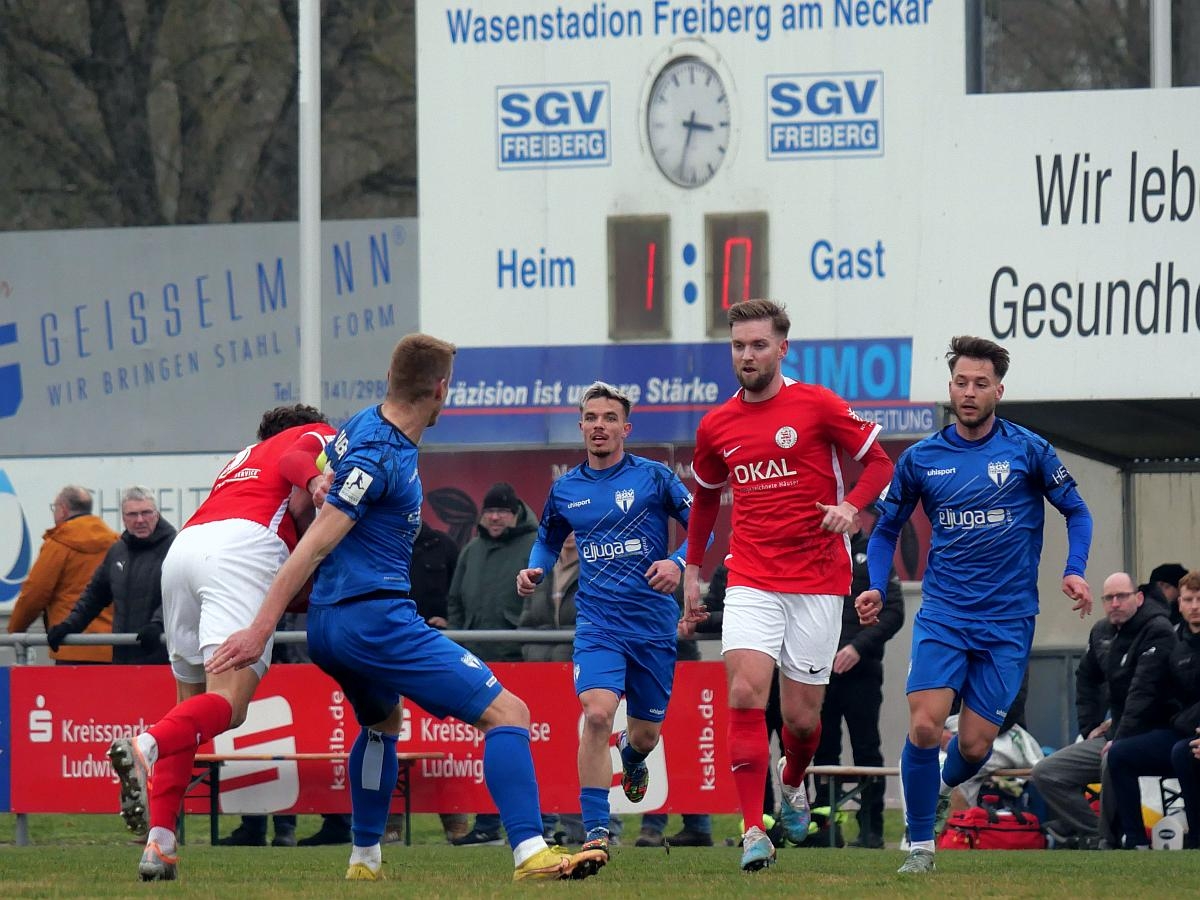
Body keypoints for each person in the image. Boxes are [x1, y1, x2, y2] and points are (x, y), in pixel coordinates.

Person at [205, 334, 604, 883]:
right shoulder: (380, 453)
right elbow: (315, 543)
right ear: (440, 389)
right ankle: (531, 853)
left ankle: (365, 861)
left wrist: (317, 477)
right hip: (373, 620)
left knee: (382, 722)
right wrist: (260, 628)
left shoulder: (361, 426)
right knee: (509, 714)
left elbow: (300, 460)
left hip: (331, 623)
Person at [856, 335, 1094, 873]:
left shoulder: (1028, 450)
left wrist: (1074, 570)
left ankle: (944, 785)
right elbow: (886, 528)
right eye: (961, 382)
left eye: (980, 383)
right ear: (950, 387)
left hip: (1008, 622)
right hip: (945, 614)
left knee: (974, 744)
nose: (968, 391)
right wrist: (876, 585)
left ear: (998, 391)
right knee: (924, 726)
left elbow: (1077, 511)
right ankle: (920, 846)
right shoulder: (921, 458)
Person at [681, 299, 895, 872]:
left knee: (802, 722)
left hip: (819, 580)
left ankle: (794, 777)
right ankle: (754, 829)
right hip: (751, 575)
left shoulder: (817, 404)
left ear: (782, 349)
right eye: (738, 346)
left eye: (758, 345)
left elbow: (880, 464)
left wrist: (851, 507)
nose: (747, 355)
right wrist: (693, 569)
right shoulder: (716, 424)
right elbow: (705, 497)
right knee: (745, 693)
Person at [105, 404, 335, 881]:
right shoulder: (312, 435)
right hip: (241, 549)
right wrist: (316, 482)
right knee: (230, 706)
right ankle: (144, 745)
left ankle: (160, 845)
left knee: (188, 713)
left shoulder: (240, 459)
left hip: (184, 552)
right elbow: (297, 464)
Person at [517, 381, 698, 874]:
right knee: (597, 715)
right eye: (592, 418)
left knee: (645, 736)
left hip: (653, 627)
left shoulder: (654, 477)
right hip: (598, 624)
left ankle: (631, 756)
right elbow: (547, 539)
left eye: (609, 418)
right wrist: (535, 569)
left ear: (626, 428)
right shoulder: (566, 489)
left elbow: (701, 525)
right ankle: (596, 833)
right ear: (581, 426)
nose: (600, 426)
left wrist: (678, 563)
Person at [1032, 571, 1176, 849]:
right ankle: (1096, 833)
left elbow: (1143, 693)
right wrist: (1090, 727)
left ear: (1139, 598)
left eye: (1121, 596)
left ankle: (1109, 841)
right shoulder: (1101, 632)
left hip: (1154, 733)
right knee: (1046, 772)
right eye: (1108, 598)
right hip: (1115, 732)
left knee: (1114, 756)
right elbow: (1086, 678)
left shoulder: (1158, 629)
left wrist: (1119, 737)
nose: (1115, 603)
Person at [448, 481, 548, 846]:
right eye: (489, 511)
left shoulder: (535, 547)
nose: (494, 517)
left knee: (528, 744)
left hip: (522, 661)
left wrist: (522, 637)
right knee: (486, 746)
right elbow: (455, 600)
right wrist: (460, 636)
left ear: (515, 513)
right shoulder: (471, 550)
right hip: (476, 661)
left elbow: (541, 600)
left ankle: (540, 822)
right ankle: (487, 824)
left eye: (502, 511)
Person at [812, 504, 905, 849]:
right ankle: (825, 827)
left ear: (856, 518)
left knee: (866, 748)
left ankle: (871, 829)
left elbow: (894, 612)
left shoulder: (874, 555)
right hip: (819, 670)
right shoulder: (817, 552)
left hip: (862, 671)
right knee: (822, 749)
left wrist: (857, 648)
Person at [384, 519, 465, 845]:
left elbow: (459, 594)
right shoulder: (381, 539)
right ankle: (388, 824)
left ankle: (456, 821)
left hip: (436, 651)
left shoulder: (444, 546)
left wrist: (452, 622)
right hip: (388, 651)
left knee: (447, 740)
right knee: (387, 733)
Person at [1107, 569, 1200, 849]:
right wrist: (1114, 729)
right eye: (1188, 600)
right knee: (1120, 753)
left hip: (1189, 738)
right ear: (1179, 604)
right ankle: (1135, 843)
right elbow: (1155, 694)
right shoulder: (1176, 643)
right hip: (1183, 730)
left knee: (1183, 753)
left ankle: (1196, 840)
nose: (1195, 606)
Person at [46, 486, 176, 665]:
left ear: (156, 514)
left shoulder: (175, 548)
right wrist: (68, 625)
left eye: (146, 513)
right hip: (122, 658)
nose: (140, 520)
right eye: (132, 514)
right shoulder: (117, 551)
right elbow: (94, 597)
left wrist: (158, 625)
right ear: (123, 518)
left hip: (165, 657)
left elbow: (179, 594)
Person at [7, 485, 119, 664]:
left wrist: (15, 630)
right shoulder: (116, 543)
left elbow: (35, 593)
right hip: (113, 646)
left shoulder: (59, 544)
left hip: (70, 645)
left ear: (63, 510)